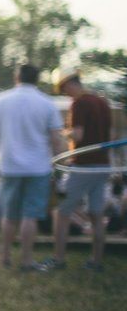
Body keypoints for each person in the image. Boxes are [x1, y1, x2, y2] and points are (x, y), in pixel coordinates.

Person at [0, 64, 64, 271]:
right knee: (31, 215)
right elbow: (56, 139)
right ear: (37, 79)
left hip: (9, 166)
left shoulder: (2, 100)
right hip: (38, 167)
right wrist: (59, 163)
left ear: (17, 77)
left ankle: (5, 256)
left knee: (9, 215)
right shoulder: (47, 103)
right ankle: (27, 260)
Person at [45, 68, 114, 272]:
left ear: (69, 83)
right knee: (96, 215)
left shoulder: (79, 103)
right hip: (103, 165)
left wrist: (62, 133)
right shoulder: (102, 102)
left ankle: (58, 259)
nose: (64, 93)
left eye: (63, 89)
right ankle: (96, 261)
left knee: (61, 212)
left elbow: (77, 135)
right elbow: (110, 136)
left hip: (83, 167)